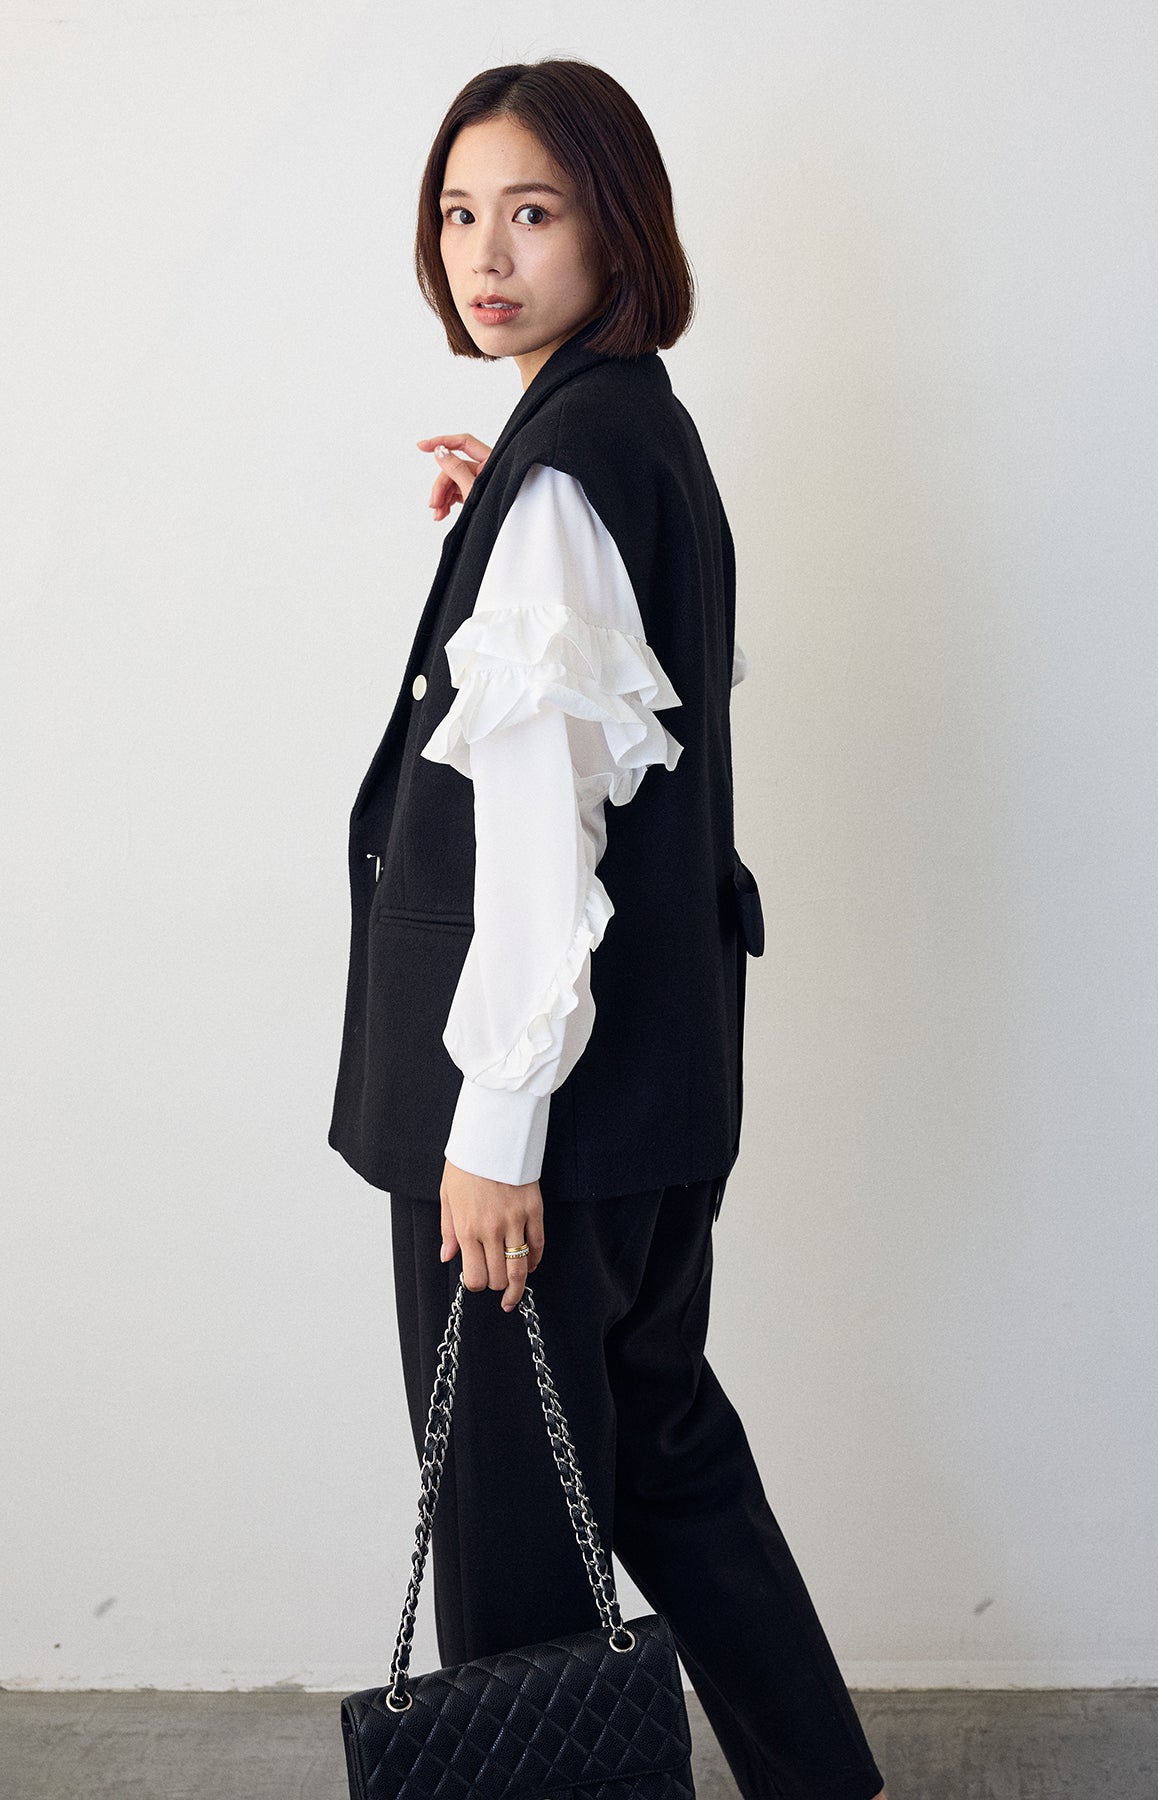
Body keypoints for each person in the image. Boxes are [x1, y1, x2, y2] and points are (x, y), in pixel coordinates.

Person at [329, 57, 888, 1800]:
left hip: (542, 1128)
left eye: (533, 211)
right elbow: (631, 724)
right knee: (663, 1460)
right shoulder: (625, 431)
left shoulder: (568, 479)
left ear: (616, 225)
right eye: (458, 213)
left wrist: (492, 1133)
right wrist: (508, 503)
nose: (484, 254)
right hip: (655, 1094)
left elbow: (541, 833)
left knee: (518, 1557)